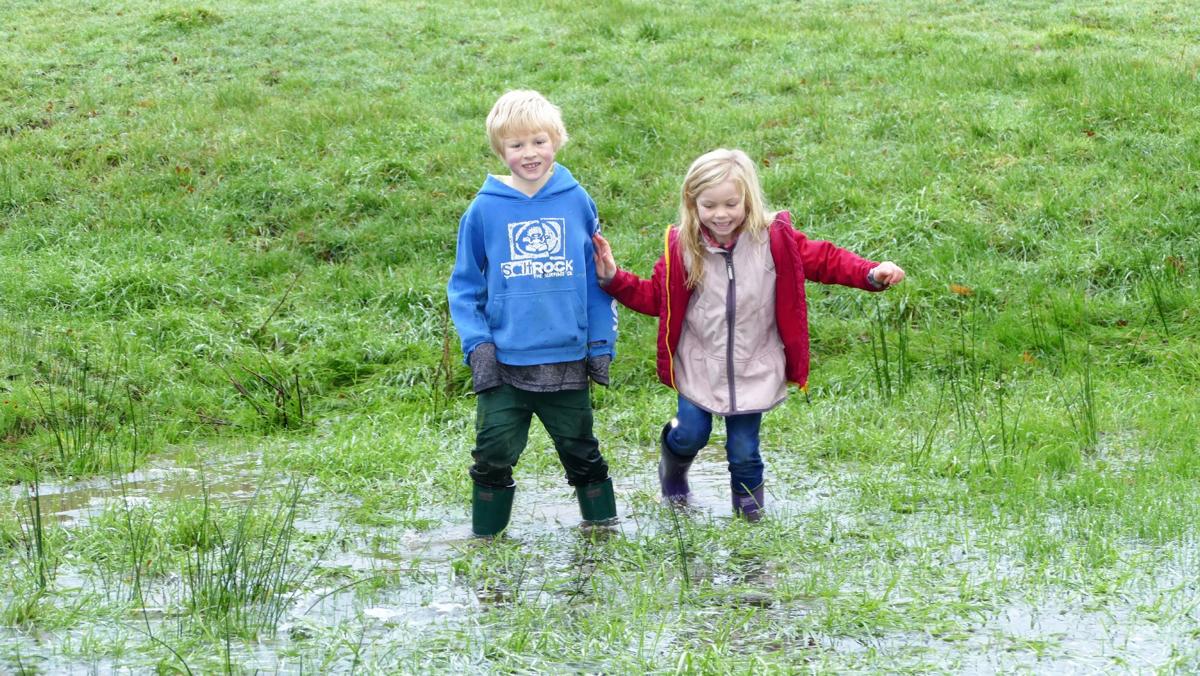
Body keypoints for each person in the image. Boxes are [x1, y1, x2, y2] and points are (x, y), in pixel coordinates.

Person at [592, 149, 905, 521]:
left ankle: (750, 518)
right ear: (692, 204)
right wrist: (614, 279)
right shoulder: (682, 247)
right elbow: (655, 299)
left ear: (748, 200)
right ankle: (673, 468)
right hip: (699, 363)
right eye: (709, 205)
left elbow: (826, 259)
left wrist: (871, 273)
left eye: (730, 203)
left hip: (754, 364)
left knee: (744, 448)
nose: (720, 214)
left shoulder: (775, 239)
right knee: (690, 432)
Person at [448, 90, 619, 537]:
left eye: (538, 142)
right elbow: (464, 288)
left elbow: (596, 279)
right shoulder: (483, 210)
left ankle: (603, 533)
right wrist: (479, 347)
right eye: (516, 145)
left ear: (556, 141)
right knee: (491, 455)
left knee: (582, 452)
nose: (529, 153)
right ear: (500, 150)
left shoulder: (576, 200)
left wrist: (599, 344)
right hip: (504, 364)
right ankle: (486, 541)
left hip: (566, 359)